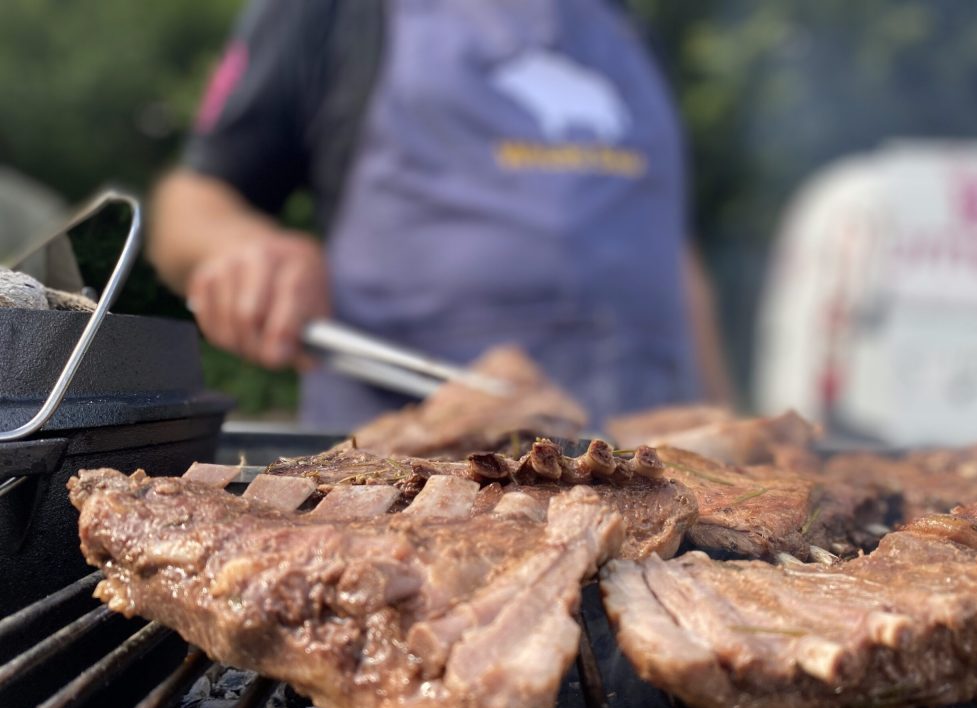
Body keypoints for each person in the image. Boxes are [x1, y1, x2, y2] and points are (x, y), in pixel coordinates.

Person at [149, 0, 732, 431]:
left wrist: (733, 436)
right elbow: (190, 201)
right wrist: (242, 246)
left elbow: (676, 257)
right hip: (418, 488)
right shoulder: (328, 13)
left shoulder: (627, 28)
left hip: (660, 481)